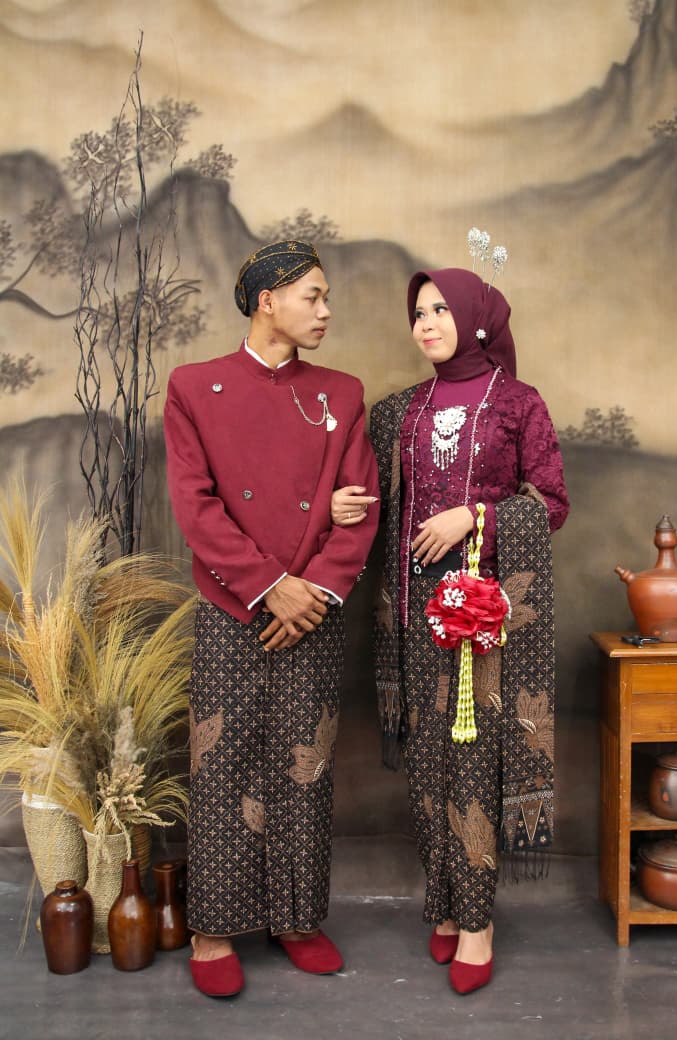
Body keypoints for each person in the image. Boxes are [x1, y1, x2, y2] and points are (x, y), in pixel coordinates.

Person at [332, 266, 568, 995]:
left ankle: (476, 924)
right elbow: (366, 495)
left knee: (471, 765)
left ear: (477, 318)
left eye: (440, 309)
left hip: (484, 620)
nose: (426, 323)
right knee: (429, 769)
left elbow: (552, 503)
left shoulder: (518, 404)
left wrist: (476, 517)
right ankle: (443, 902)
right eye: (418, 312)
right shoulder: (398, 412)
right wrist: (337, 507)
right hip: (410, 619)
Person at [164, 240, 379, 998]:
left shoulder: (341, 393)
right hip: (232, 607)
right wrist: (268, 587)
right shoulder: (194, 387)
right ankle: (214, 928)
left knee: (305, 763)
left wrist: (312, 592)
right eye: (312, 296)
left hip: (315, 609)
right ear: (267, 300)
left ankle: (297, 917)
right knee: (221, 763)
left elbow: (362, 508)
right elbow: (196, 507)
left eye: (326, 297)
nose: (326, 311)